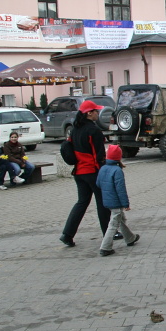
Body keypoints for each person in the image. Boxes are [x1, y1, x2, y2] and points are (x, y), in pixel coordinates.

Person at [60, 100, 111, 247]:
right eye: (95, 111)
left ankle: (67, 234)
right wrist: (104, 172)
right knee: (102, 203)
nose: (97, 113)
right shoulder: (93, 131)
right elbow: (99, 155)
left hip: (79, 172)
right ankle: (108, 233)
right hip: (92, 171)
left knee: (81, 202)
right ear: (89, 113)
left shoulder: (75, 129)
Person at [96, 144, 141, 257]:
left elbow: (98, 184)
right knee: (113, 224)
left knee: (120, 219)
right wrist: (126, 203)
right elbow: (121, 190)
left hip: (106, 200)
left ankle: (130, 238)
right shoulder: (117, 171)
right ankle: (105, 247)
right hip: (116, 201)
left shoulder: (103, 168)